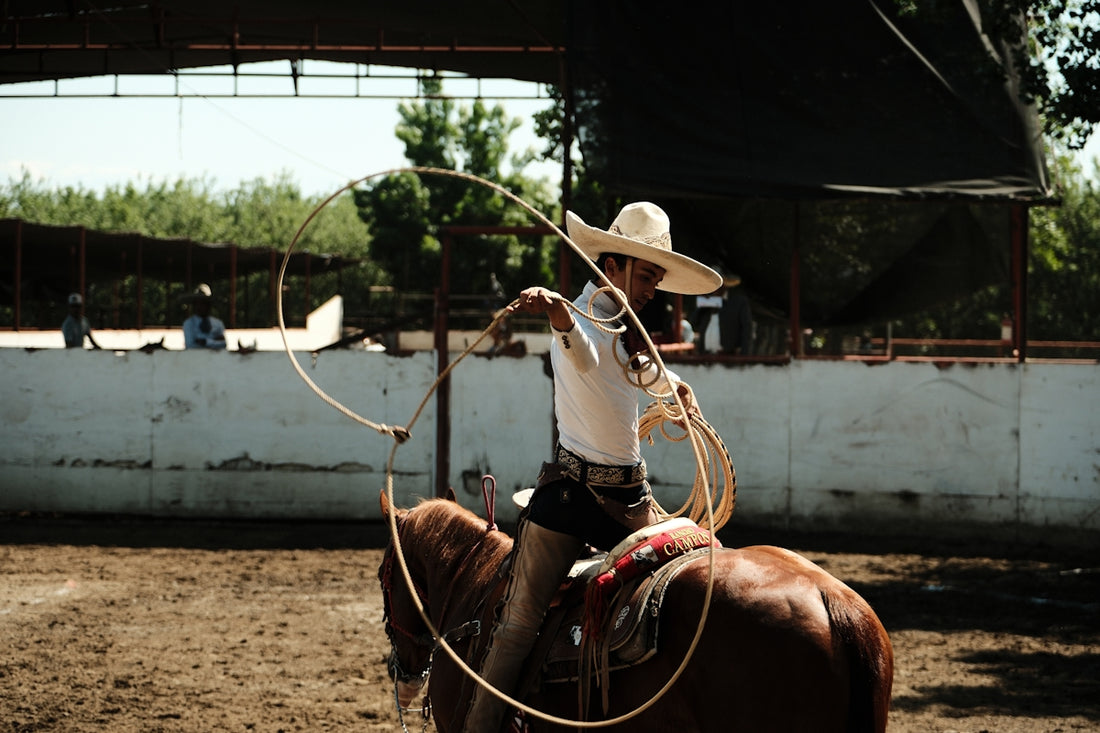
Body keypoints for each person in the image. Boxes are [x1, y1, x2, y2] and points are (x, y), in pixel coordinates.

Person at [462, 201, 721, 733]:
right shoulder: (582, 317)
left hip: (631, 499)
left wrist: (676, 391)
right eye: (648, 276)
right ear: (615, 266)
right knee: (518, 623)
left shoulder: (629, 331)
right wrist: (558, 312)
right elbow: (580, 353)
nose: (653, 289)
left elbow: (641, 374)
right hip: (573, 501)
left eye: (656, 278)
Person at [182, 284, 227, 349]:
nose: (201, 307)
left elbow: (223, 344)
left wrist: (206, 342)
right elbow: (190, 345)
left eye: (204, 303)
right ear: (194, 305)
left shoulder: (218, 324)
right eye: (198, 303)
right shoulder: (189, 324)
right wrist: (214, 340)